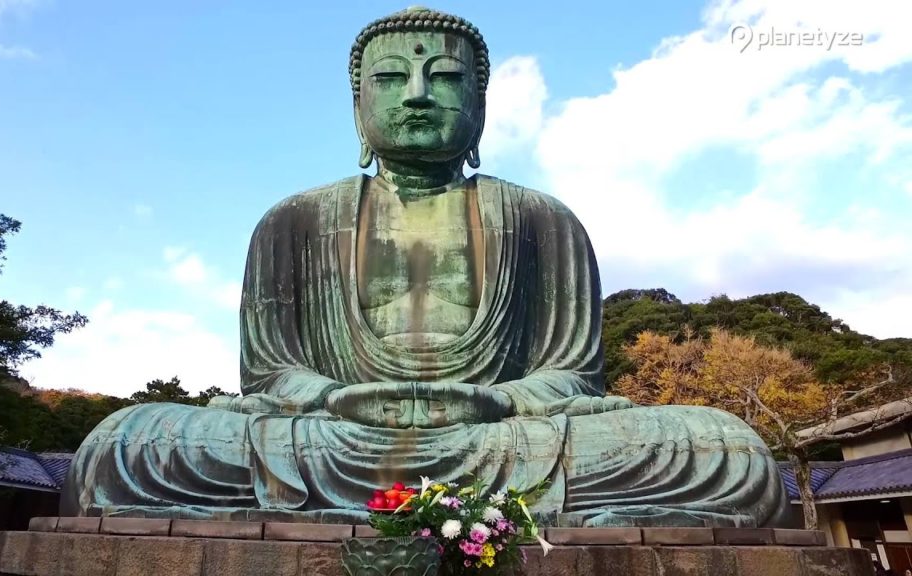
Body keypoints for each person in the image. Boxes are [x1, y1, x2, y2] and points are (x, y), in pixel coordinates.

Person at [61, 6, 788, 528]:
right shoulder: (295, 221)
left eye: (443, 77)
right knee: (125, 445)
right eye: (390, 79)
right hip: (329, 439)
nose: (416, 94)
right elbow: (271, 376)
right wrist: (335, 400)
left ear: (479, 102)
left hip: (504, 441)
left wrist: (497, 401)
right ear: (358, 106)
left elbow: (570, 374)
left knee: (724, 449)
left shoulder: (541, 218)